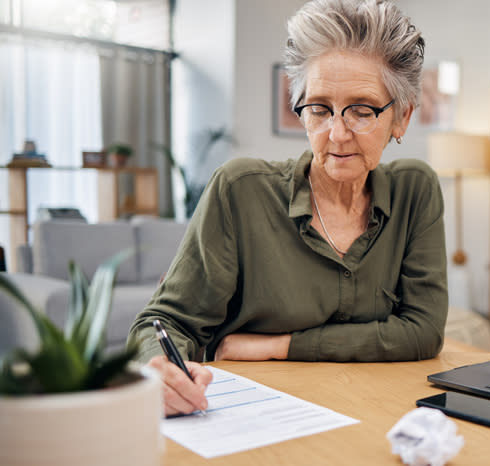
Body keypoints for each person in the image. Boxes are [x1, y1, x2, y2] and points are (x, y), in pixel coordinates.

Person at [127, 0, 447, 417]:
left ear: (401, 117)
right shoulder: (241, 189)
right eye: (318, 109)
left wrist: (279, 346)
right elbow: (166, 322)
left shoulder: (415, 190)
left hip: (378, 412)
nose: (336, 134)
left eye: (362, 110)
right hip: (252, 421)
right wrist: (159, 370)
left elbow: (422, 331)